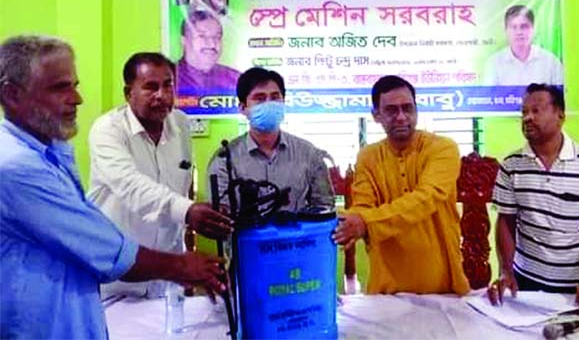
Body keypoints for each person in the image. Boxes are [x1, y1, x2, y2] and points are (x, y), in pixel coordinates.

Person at [0, 35, 225, 339]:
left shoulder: (54, 147)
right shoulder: (18, 164)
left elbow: (180, 191)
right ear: (12, 96)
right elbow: (126, 192)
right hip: (116, 285)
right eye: (60, 87)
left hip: (148, 285)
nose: (77, 98)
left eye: (168, 85)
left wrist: (183, 257)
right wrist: (181, 262)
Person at [88, 52, 233, 298]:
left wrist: (186, 262)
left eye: (168, 85)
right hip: (115, 280)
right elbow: (131, 186)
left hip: (167, 283)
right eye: (150, 87)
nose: (162, 96)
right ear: (128, 93)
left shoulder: (181, 124)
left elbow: (182, 190)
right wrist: (188, 211)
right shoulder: (107, 130)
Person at [332, 75, 471, 295]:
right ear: (376, 115)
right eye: (391, 110)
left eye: (407, 108)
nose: (401, 117)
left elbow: (427, 197)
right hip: (387, 288)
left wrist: (365, 222)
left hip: (443, 287)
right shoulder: (368, 156)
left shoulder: (443, 149)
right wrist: (350, 222)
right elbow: (363, 205)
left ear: (417, 110)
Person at [488, 83, 579, 306]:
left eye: (536, 110)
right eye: (523, 112)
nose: (527, 118)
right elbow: (506, 221)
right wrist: (505, 271)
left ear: (560, 115)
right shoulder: (511, 165)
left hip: (576, 283)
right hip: (526, 279)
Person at [207, 67, 334, 215]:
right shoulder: (224, 158)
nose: (269, 104)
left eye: (275, 97)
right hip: (245, 237)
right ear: (243, 108)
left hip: (297, 237)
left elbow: (324, 208)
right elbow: (219, 216)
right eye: (259, 98)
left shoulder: (309, 153)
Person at [482, 5, 563, 87]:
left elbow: (560, 95)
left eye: (524, 27)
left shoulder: (551, 61)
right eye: (513, 27)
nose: (519, 32)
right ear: (506, 30)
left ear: (533, 29)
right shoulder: (494, 62)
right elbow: (489, 96)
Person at [176, 10, 240, 94]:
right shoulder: (169, 78)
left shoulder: (235, 79)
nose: (212, 44)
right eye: (202, 36)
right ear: (184, 40)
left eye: (217, 37)